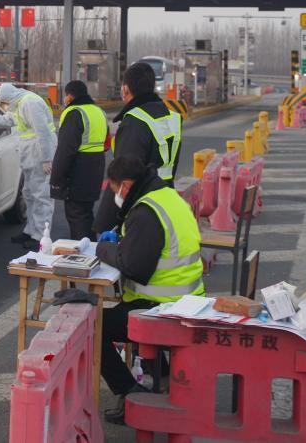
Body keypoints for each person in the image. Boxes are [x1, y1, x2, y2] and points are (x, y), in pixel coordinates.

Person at [95, 155, 204, 425]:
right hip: (189, 300)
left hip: (164, 308)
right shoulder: (168, 196)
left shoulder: (146, 212)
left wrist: (105, 249)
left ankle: (130, 393)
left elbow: (134, 267)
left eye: (114, 190)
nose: (114, 197)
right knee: (118, 315)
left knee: (94, 327)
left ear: (126, 185)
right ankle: (165, 380)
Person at [92, 62, 183, 236]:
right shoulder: (173, 117)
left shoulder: (135, 121)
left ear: (125, 89)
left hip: (139, 207)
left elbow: (124, 175)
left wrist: (104, 224)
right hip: (166, 199)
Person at [0, 83, 57, 250]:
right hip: (30, 155)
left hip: (40, 154)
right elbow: (6, 120)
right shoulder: (18, 103)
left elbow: (42, 132)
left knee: (41, 196)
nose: (4, 105)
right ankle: (30, 231)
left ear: (9, 97)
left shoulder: (30, 103)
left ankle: (41, 236)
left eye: (4, 101)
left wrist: (46, 159)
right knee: (29, 194)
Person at [50, 80, 108, 241]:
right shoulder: (99, 111)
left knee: (76, 217)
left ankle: (82, 258)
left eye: (66, 96)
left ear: (69, 96)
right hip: (96, 167)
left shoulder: (74, 113)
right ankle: (92, 252)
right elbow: (107, 142)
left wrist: (56, 178)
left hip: (78, 170)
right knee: (86, 214)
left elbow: (65, 150)